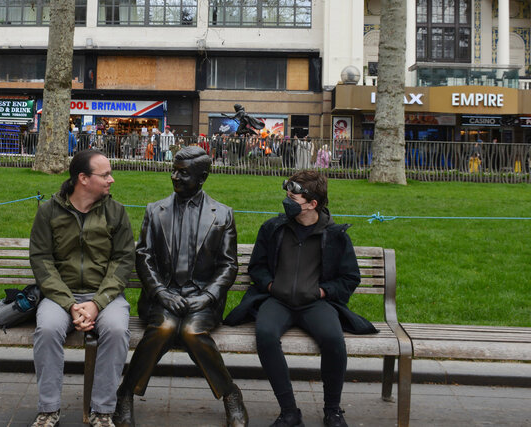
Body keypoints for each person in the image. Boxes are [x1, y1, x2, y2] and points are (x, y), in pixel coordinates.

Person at [225, 171, 377, 427]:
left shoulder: (336, 235)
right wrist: (271, 286)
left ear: (312, 203)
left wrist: (322, 292)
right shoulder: (273, 228)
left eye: (292, 197)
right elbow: (257, 267)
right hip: (277, 300)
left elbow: (349, 278)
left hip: (316, 304)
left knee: (333, 339)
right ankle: (289, 412)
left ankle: (333, 411)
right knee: (265, 334)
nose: (287, 201)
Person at [114, 146, 248, 427]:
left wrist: (209, 296)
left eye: (183, 173)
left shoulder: (222, 214)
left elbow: (228, 265)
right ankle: (125, 394)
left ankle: (230, 393)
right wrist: (160, 292)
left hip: (201, 298)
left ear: (202, 177)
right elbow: (144, 256)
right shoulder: (155, 210)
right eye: (173, 170)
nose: (174, 177)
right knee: (164, 327)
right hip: (163, 297)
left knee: (190, 331)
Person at [29, 150, 135, 427]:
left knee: (115, 329)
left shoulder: (116, 212)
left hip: (106, 297)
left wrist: (97, 303)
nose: (111, 180)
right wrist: (69, 304)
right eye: (105, 175)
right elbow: (41, 260)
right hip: (60, 296)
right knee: (48, 329)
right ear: (83, 178)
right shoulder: (49, 211)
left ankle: (102, 412)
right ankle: (48, 410)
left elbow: (123, 260)